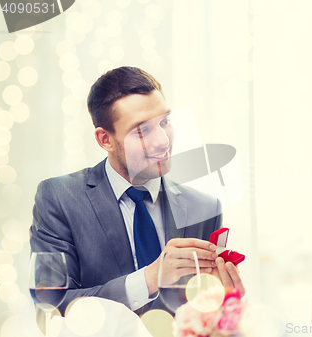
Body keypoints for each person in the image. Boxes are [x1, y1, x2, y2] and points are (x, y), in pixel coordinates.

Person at [30, 66, 245, 315]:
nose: (163, 140)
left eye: (165, 121)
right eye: (142, 130)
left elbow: (202, 311)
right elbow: (52, 305)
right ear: (105, 140)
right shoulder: (59, 198)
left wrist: (225, 306)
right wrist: (148, 278)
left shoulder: (205, 208)